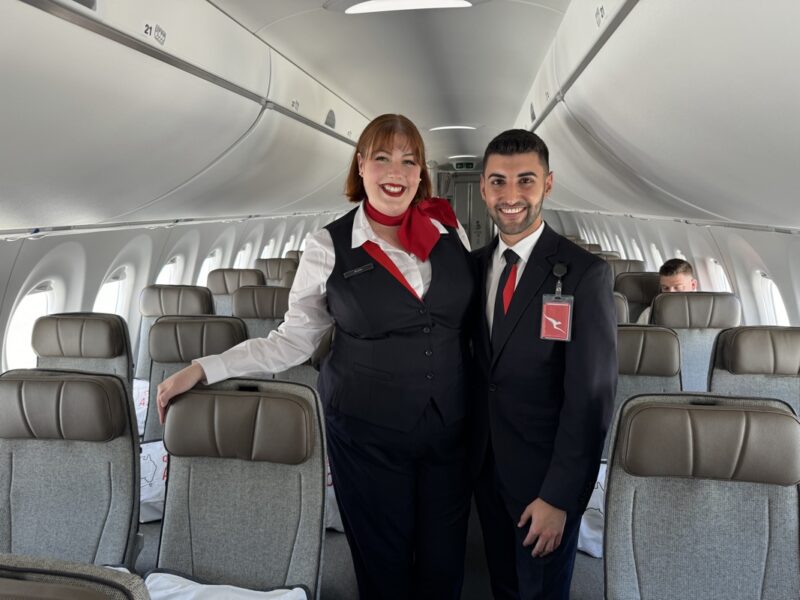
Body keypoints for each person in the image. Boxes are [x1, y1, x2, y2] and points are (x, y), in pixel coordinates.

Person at [156, 114, 475, 599]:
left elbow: (474, 325)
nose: (397, 171)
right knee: (384, 565)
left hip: (451, 427)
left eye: (410, 161)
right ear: (361, 166)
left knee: (444, 564)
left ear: (421, 173)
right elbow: (292, 341)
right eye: (384, 158)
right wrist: (205, 368)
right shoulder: (328, 246)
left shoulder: (448, 231)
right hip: (368, 434)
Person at [470, 129, 617, 599]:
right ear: (483, 188)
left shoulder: (584, 274)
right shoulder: (472, 267)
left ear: (548, 185)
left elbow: (590, 399)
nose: (511, 197)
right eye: (498, 182)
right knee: (504, 587)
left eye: (525, 181)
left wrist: (559, 497)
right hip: (483, 472)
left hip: (544, 482)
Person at [636, 258, 698, 324]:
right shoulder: (650, 314)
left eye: (678, 287)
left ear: (693, 285)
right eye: (665, 288)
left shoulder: (708, 311)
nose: (670, 293)